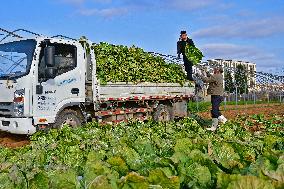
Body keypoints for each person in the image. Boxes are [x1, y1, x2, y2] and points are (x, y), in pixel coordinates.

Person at [201, 67, 227, 131]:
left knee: (214, 111)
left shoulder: (216, 76)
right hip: (217, 95)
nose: (214, 70)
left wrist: (201, 75)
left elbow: (206, 80)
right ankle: (214, 127)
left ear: (218, 71)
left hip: (216, 95)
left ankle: (224, 120)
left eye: (215, 69)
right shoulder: (219, 76)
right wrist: (207, 73)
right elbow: (211, 77)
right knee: (215, 111)